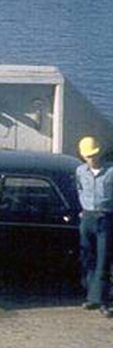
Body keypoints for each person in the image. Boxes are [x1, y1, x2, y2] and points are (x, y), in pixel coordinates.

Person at [75, 135, 113, 315]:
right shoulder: (80, 171)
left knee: (104, 259)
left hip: (105, 217)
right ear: (83, 156)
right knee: (87, 257)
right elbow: (79, 189)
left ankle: (105, 301)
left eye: (95, 154)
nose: (92, 158)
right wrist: (83, 210)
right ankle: (92, 297)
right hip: (87, 217)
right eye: (89, 156)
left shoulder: (111, 171)